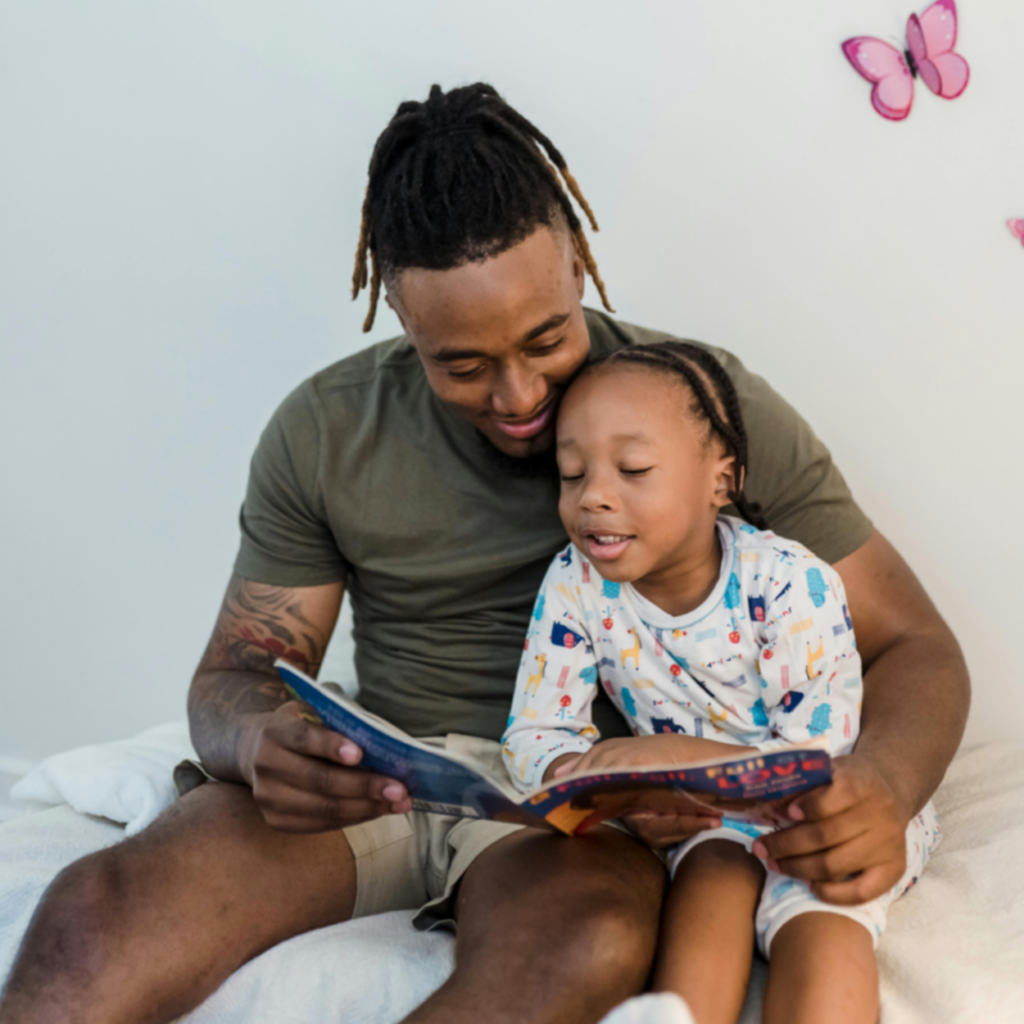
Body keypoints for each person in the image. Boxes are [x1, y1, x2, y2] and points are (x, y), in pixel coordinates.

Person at [0, 83, 968, 1024]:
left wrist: (881, 784)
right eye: (461, 364)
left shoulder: (693, 413)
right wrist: (257, 740)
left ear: (580, 261)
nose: (516, 397)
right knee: (95, 918)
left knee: (577, 949)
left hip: (575, 827)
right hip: (382, 779)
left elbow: (911, 641)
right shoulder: (325, 430)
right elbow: (237, 671)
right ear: (396, 310)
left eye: (546, 339)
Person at [502, 341, 942, 1024]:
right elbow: (534, 734)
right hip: (709, 817)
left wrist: (673, 762)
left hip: (835, 808)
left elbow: (821, 758)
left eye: (634, 468)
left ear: (721, 480)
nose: (593, 495)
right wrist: (599, 783)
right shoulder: (574, 585)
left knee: (819, 910)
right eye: (570, 473)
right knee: (709, 882)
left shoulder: (790, 582)